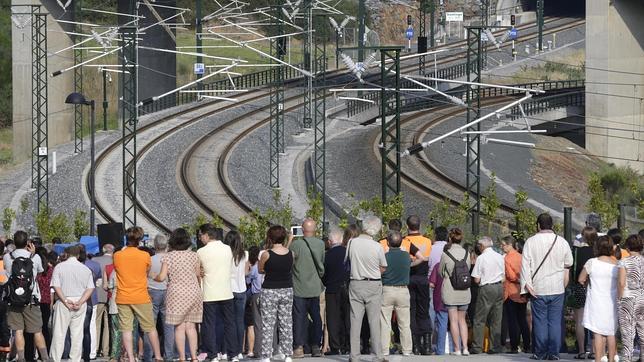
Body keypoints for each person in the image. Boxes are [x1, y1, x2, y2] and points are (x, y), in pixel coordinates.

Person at [520, 213, 573, 361]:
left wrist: (527, 286)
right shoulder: (562, 242)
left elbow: (525, 266)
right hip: (557, 287)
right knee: (555, 321)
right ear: (552, 225)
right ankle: (554, 353)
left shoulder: (530, 242)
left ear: (538, 225)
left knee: (540, 321)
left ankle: (540, 352)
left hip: (538, 288)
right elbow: (568, 263)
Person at [113, 227, 163, 362]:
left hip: (123, 297)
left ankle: (130, 358)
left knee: (126, 329)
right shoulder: (145, 256)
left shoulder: (117, 255)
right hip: (141, 296)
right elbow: (146, 271)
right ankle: (158, 356)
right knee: (150, 328)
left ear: (126, 238)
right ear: (140, 240)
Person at [153, 228, 203, 361]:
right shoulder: (194, 255)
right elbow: (198, 274)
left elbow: (162, 277)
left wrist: (152, 275)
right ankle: (194, 357)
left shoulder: (168, 257)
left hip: (176, 293)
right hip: (193, 291)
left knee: (179, 327)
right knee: (191, 326)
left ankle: (181, 358)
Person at [345, 216, 388, 362]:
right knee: (374, 321)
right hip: (373, 283)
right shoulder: (377, 246)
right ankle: (377, 355)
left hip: (355, 282)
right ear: (375, 229)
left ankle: (354, 355)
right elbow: (383, 266)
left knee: (355, 320)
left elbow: (348, 261)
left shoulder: (352, 243)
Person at [4, 230, 49, 362]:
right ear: (27, 242)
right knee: (37, 331)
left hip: (14, 300)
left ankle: (21, 358)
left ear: (14, 242)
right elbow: (41, 271)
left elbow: (7, 273)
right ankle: (45, 357)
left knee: (18, 330)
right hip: (31, 299)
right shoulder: (34, 257)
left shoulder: (8, 257)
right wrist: (33, 253)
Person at [197, 224, 238, 361]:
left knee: (209, 325)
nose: (200, 238)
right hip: (226, 291)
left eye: (200, 235)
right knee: (230, 324)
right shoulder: (227, 249)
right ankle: (233, 354)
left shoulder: (201, 252)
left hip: (209, 293)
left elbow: (198, 272)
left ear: (207, 235)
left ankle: (213, 354)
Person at [49, 245, 94, 362]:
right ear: (78, 255)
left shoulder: (59, 267)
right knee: (77, 335)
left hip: (64, 301)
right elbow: (90, 288)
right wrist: (80, 301)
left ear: (66, 254)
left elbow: (56, 286)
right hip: (79, 301)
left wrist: (64, 300)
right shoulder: (85, 269)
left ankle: (55, 358)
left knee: (59, 333)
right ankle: (75, 359)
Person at [288, 219, 325, 358]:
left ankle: (299, 347)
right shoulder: (321, 244)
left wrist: (289, 240)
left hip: (299, 287)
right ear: (315, 230)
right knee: (316, 317)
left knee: (299, 318)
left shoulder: (296, 245)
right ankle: (316, 346)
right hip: (315, 287)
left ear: (302, 230)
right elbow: (322, 262)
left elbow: (287, 260)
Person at [579, 236, 619, 362]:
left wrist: (588, 283)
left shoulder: (592, 262)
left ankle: (598, 359)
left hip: (596, 300)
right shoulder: (616, 264)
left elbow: (581, 279)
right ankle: (611, 359)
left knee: (597, 333)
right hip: (611, 301)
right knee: (611, 332)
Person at [259, 225, 294, 362]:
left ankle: (266, 355)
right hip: (287, 289)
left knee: (268, 324)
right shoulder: (291, 254)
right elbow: (290, 267)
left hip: (270, 290)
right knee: (286, 323)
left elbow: (261, 269)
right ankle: (287, 354)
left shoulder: (266, 254)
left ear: (270, 238)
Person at [469, 236, 504, 354]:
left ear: (481, 246)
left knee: (480, 318)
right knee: (496, 319)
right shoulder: (500, 256)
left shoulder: (481, 258)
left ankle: (477, 346)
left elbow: (477, 279)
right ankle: (495, 346)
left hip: (487, 288)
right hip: (499, 287)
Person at [401, 215, 431, 355]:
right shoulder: (427, 241)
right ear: (420, 225)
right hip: (423, 278)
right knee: (423, 312)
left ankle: (415, 345)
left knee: (411, 311)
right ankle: (428, 345)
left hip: (409, 278)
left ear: (407, 226)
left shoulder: (405, 242)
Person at [380, 230, 412, 357]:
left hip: (387, 289)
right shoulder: (406, 256)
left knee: (385, 322)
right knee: (404, 323)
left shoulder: (385, 256)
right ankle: (407, 349)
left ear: (388, 242)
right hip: (403, 290)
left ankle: (384, 349)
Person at [440, 228, 470, 356]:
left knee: (453, 320)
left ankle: (457, 349)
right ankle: (465, 348)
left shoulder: (446, 254)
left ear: (450, 239)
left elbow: (441, 272)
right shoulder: (466, 253)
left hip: (451, 290)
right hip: (464, 290)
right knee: (462, 320)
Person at [145, 235, 174, 361]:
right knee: (168, 326)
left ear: (155, 246)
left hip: (152, 291)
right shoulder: (171, 259)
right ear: (166, 245)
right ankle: (169, 354)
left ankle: (149, 354)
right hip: (168, 292)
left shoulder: (149, 260)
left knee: (150, 325)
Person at [322, 227, 350, 355]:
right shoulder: (348, 252)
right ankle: (347, 345)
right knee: (347, 317)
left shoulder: (327, 255)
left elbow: (323, 273)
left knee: (333, 319)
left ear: (329, 241)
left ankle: (335, 346)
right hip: (347, 287)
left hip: (332, 288)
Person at [500, 236, 530, 354]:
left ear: (509, 245)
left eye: (503, 245)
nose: (501, 247)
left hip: (511, 292)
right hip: (522, 292)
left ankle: (514, 346)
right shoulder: (521, 257)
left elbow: (511, 276)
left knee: (512, 321)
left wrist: (515, 279)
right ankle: (527, 345)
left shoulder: (507, 259)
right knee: (522, 319)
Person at [570, 227, 596, 359]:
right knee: (594, 320)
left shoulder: (577, 252)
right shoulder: (597, 253)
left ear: (584, 237)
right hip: (594, 288)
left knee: (579, 320)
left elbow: (572, 271)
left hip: (579, 287)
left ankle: (581, 351)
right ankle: (593, 351)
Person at [617, 234, 644, 362]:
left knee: (628, 332)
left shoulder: (624, 262)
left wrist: (619, 298)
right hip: (642, 297)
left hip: (629, 298)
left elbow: (622, 283)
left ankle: (627, 359)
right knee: (643, 329)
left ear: (627, 247)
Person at [225, 231, 250, 361]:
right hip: (242, 290)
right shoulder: (245, 254)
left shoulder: (226, 254)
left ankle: (229, 350)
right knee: (240, 321)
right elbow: (246, 273)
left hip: (229, 290)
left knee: (229, 322)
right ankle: (239, 350)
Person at [79, 244, 101, 362]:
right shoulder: (95, 265)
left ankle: (78, 351)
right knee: (91, 326)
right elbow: (98, 282)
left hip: (77, 298)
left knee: (77, 326)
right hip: (92, 298)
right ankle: (91, 351)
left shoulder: (75, 265)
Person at [92, 244, 114, 358]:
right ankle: (106, 350)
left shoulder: (95, 260)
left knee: (96, 323)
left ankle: (95, 348)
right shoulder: (116, 261)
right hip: (112, 296)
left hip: (98, 295)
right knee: (108, 325)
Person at [35, 248, 55, 352]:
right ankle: (46, 349)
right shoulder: (50, 270)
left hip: (35, 300)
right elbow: (52, 288)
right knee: (45, 328)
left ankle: (35, 351)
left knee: (35, 328)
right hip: (47, 300)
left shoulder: (35, 269)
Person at [428, 257, 449, 355]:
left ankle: (439, 349)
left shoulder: (438, 265)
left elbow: (432, 284)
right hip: (459, 299)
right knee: (457, 322)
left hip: (441, 298)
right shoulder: (461, 263)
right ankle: (456, 347)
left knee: (440, 323)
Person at [245, 246, 263, 358]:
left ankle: (256, 349)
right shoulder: (264, 266)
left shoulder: (255, 267)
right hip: (266, 294)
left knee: (255, 323)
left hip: (255, 295)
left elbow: (247, 280)